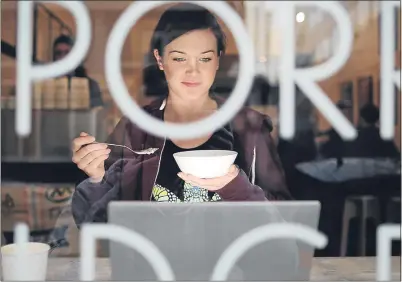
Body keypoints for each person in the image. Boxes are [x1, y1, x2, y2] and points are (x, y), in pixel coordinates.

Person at [70, 3, 292, 228]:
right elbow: (98, 227)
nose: (193, 71)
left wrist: (237, 187)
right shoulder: (136, 127)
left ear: (217, 60)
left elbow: (284, 219)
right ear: (159, 59)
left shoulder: (250, 128)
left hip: (230, 262)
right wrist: (97, 178)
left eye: (204, 59)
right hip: (151, 261)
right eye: (179, 58)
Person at [53, 34, 104, 107]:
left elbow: (96, 112)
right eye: (58, 53)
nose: (62, 57)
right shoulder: (47, 84)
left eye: (67, 53)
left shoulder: (90, 85)